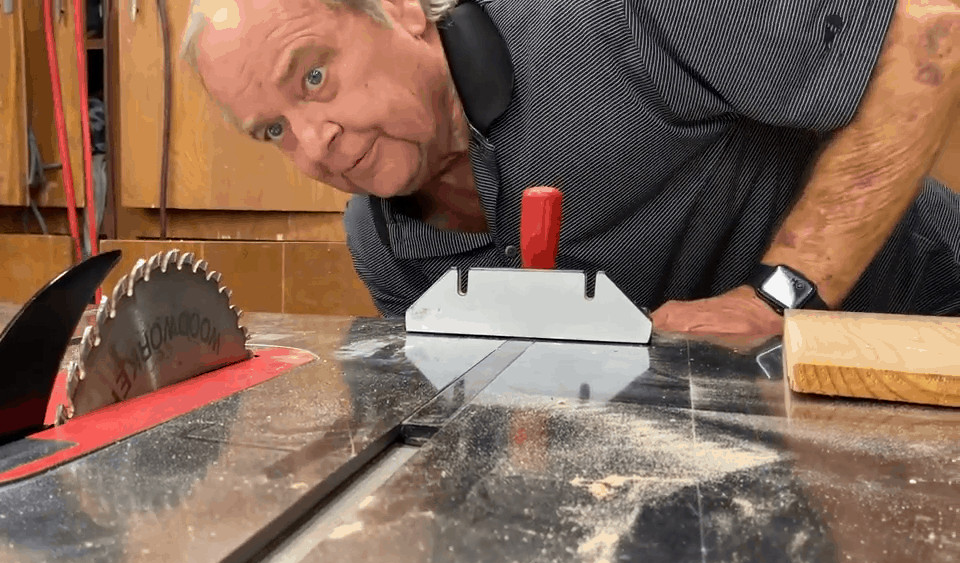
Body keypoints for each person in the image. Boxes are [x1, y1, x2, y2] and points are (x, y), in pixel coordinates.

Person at [181, 0, 959, 335]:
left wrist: (780, 297)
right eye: (273, 130)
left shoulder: (611, 17)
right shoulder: (383, 246)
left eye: (313, 76)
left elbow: (929, 34)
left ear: (404, 12)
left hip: (925, 334)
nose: (314, 144)